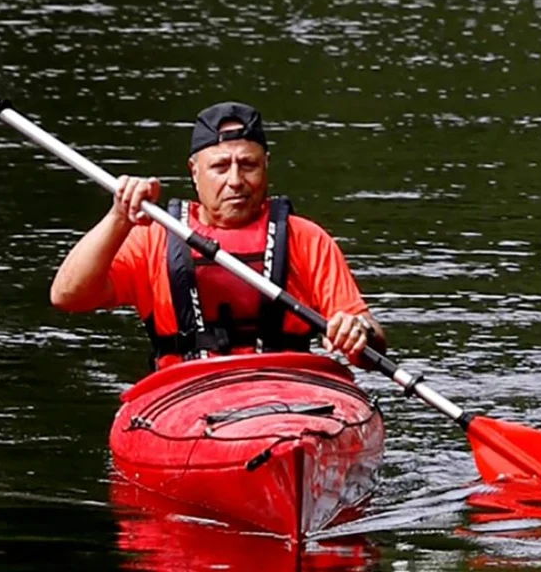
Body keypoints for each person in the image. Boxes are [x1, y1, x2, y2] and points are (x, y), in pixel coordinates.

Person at [50, 101, 381, 370]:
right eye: (220, 167)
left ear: (266, 165)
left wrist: (357, 331)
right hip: (186, 397)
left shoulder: (306, 238)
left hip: (290, 397)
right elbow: (68, 296)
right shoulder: (153, 237)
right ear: (194, 172)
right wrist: (119, 216)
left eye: (248, 165)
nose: (235, 180)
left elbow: (370, 338)